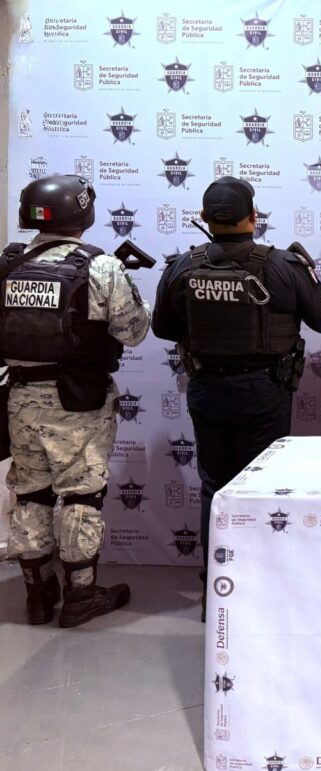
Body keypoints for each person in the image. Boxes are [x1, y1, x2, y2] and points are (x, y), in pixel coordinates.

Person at [152, 177, 321, 618]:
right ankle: (260, 591)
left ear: (204, 217)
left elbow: (163, 328)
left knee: (215, 487)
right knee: (262, 490)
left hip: (208, 389)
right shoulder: (283, 265)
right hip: (264, 392)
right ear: (253, 216)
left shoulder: (182, 266)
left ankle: (215, 590)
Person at [0, 174, 151, 627]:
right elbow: (134, 331)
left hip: (20, 398)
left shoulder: (8, 263)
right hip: (77, 402)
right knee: (82, 493)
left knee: (31, 491)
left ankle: (37, 593)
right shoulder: (100, 267)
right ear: (82, 212)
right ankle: (81, 594)